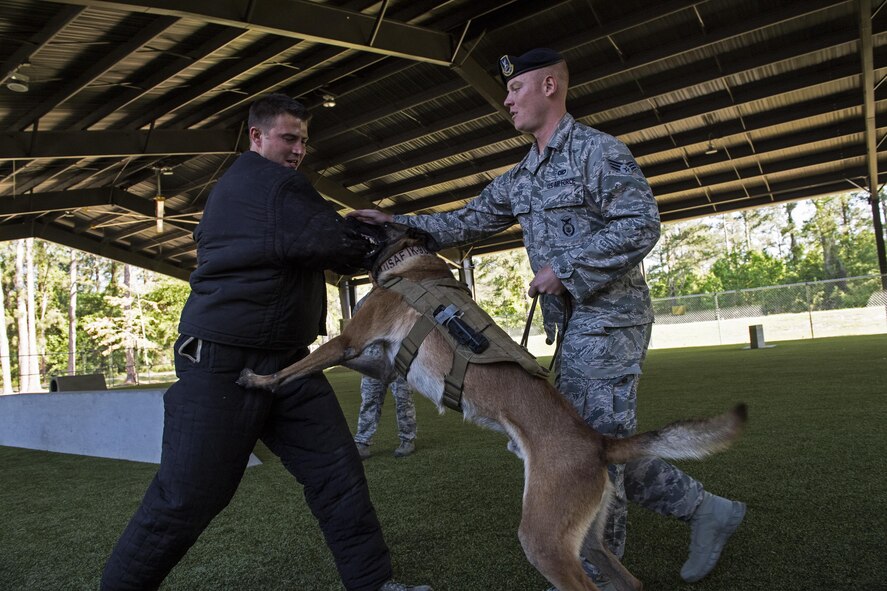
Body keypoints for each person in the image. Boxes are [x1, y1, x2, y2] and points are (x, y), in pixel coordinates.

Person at [349, 49, 745, 590]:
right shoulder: (523, 174)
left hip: (610, 319)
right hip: (575, 325)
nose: (507, 99)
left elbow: (640, 224)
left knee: (586, 445)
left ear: (551, 86)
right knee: (580, 443)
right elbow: (467, 220)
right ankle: (704, 510)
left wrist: (568, 269)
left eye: (517, 89)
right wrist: (397, 221)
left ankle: (602, 576)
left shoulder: (597, 152)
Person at [101, 93, 431, 591]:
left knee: (338, 476)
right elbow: (336, 247)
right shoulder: (270, 184)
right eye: (288, 138)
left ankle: (374, 584)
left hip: (287, 367)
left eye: (303, 140)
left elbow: (310, 239)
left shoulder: (261, 190)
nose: (298, 149)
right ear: (256, 136)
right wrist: (387, 238)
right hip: (222, 368)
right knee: (184, 500)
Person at [355, 373, 418, 459]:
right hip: (373, 365)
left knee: (403, 402)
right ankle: (362, 442)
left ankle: (408, 440)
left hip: (398, 365)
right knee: (369, 401)